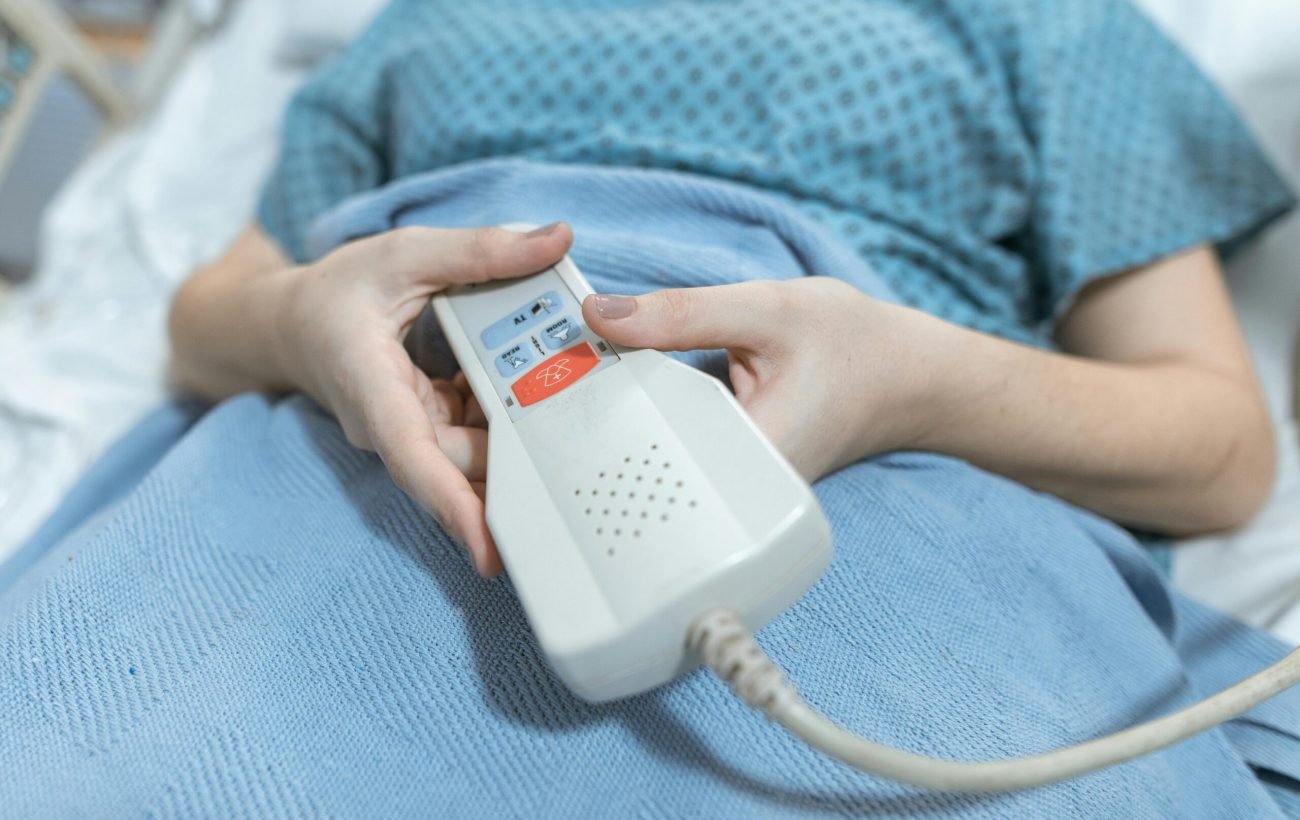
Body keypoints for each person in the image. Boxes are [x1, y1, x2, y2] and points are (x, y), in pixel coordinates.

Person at [3, 0, 1299, 816]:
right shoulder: (420, 22)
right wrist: (298, 323)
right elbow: (206, 313)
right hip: (378, 444)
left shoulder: (1050, 23)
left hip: (877, 467)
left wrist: (916, 381)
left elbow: (1221, 451)